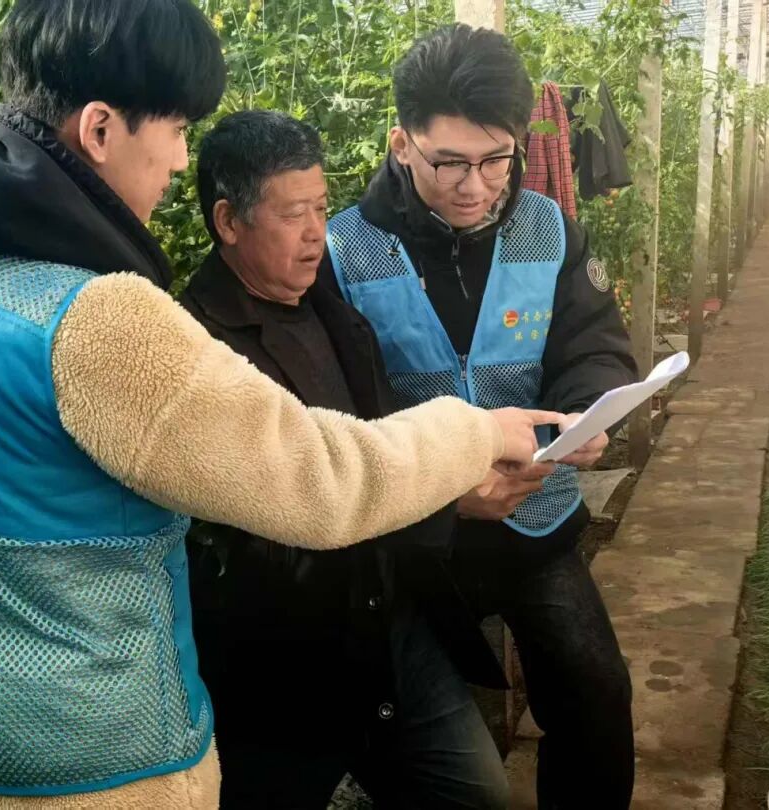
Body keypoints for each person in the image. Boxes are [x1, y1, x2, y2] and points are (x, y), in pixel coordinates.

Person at [0, 4, 554, 808]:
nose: (178, 162)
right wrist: (474, 431)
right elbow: (320, 480)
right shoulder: (96, 320)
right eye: (174, 130)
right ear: (101, 129)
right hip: (93, 770)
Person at [325, 24, 640, 810]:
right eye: (451, 163)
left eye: (496, 160)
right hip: (412, 538)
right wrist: (438, 486)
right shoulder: (345, 250)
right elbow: (335, 404)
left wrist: (587, 411)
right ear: (402, 144)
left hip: (534, 517)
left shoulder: (548, 230)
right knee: (412, 741)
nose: (476, 186)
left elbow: (593, 343)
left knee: (596, 694)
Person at [183, 110, 531, 809]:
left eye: (320, 207)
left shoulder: (335, 313)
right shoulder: (199, 351)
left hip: (389, 624)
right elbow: (282, 511)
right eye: (292, 215)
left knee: (479, 795)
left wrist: (452, 484)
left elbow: (383, 443)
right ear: (228, 221)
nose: (317, 232)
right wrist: (450, 498)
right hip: (285, 660)